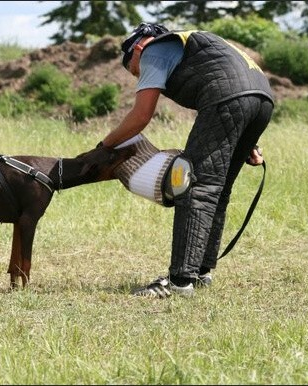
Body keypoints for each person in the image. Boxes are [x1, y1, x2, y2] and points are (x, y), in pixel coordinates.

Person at [97, 23, 274, 298]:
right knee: (217, 188)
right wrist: (247, 139)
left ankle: (180, 280)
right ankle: (201, 272)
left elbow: (142, 115)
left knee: (191, 183)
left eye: (134, 70)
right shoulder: (196, 42)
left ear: (137, 48)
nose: (138, 75)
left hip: (229, 96)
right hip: (262, 100)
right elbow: (234, 77)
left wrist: (104, 145)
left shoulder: (151, 50)